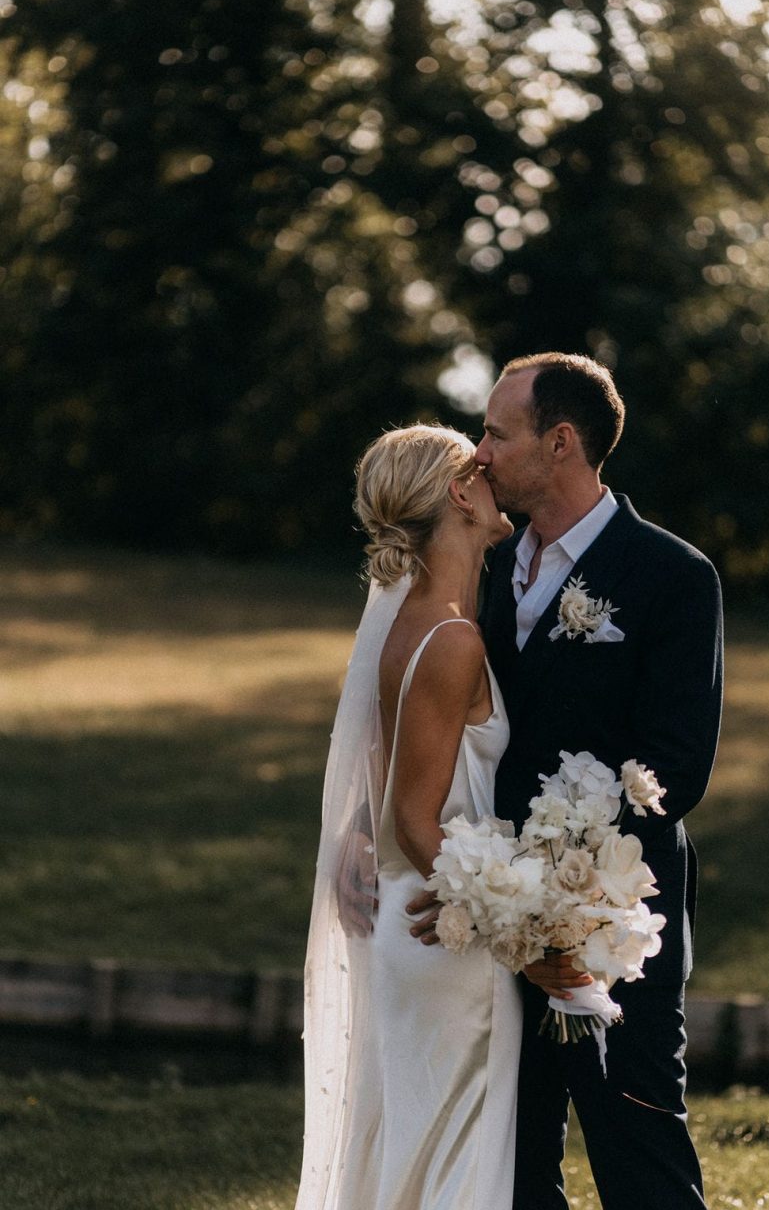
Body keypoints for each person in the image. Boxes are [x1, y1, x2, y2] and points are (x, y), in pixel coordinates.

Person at [470, 352, 723, 1209]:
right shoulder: (487, 563)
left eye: (497, 434)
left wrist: (565, 894)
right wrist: (508, 888)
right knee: (513, 1149)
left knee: (635, 1131)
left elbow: (676, 765)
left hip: (617, 909)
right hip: (496, 903)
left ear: (561, 442)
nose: (479, 452)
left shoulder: (673, 576)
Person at [297, 424, 539, 1210]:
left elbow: (383, 779)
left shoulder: (412, 624)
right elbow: (411, 817)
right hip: (448, 931)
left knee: (416, 1157)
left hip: (415, 921)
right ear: (461, 495)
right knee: (457, 1169)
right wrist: (513, 926)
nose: (494, 465)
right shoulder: (452, 638)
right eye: (479, 462)